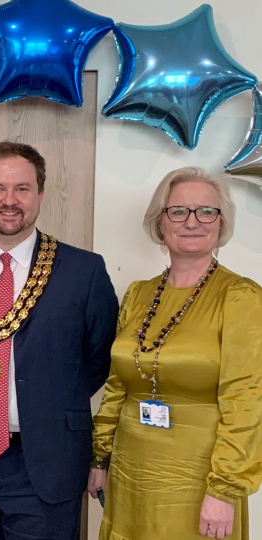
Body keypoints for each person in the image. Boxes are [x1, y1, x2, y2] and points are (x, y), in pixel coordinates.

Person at [0, 141, 118, 539]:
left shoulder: (84, 271)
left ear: (40, 194)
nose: (9, 200)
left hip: (46, 462)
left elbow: (98, 359)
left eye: (22, 189)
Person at [88, 168, 262, 540]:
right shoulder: (138, 294)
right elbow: (119, 383)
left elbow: (247, 400)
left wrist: (224, 491)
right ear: (160, 223)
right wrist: (100, 457)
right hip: (130, 469)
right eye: (179, 211)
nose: (193, 221)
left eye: (206, 211)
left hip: (199, 477)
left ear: (221, 222)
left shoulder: (241, 297)